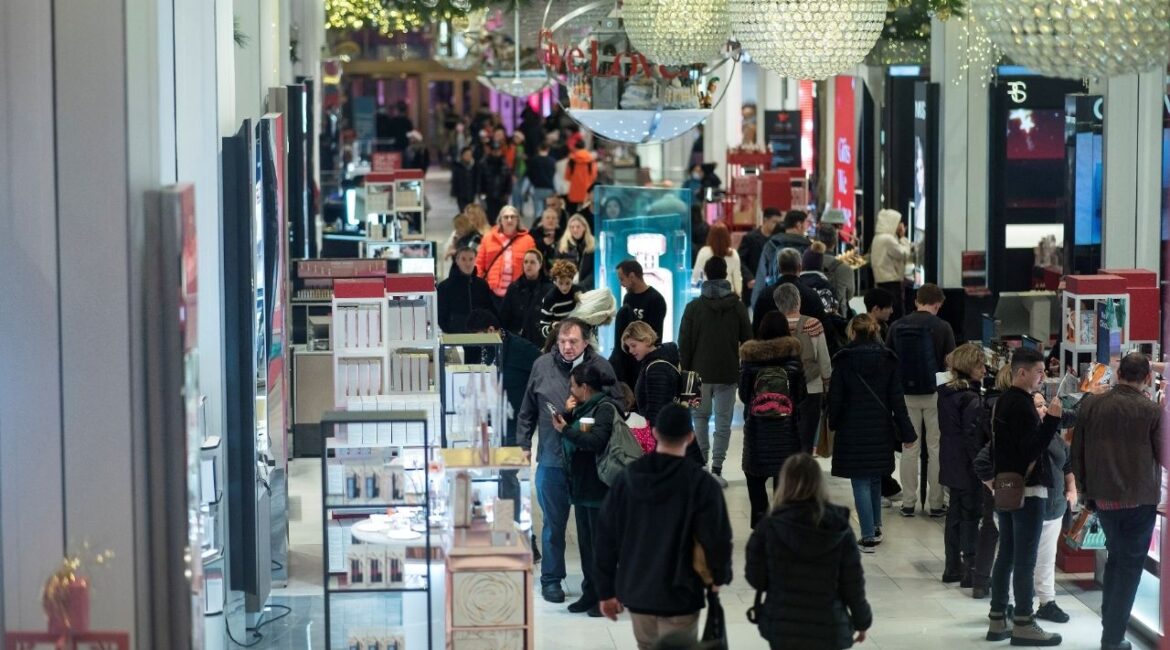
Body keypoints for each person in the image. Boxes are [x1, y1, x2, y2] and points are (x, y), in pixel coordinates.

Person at [594, 403, 733, 650]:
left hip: (638, 588)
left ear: (655, 433)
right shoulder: (701, 484)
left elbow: (606, 536)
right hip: (682, 591)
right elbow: (717, 537)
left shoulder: (629, 478)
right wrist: (719, 576)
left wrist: (605, 590)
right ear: (690, 438)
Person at [517, 318, 620, 604]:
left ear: (586, 342)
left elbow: (618, 405)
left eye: (573, 341)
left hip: (589, 462)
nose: (567, 347)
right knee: (553, 524)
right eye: (562, 341)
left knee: (592, 530)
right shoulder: (542, 366)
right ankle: (551, 579)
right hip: (551, 458)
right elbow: (526, 410)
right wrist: (524, 445)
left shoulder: (601, 366)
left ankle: (594, 585)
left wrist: (586, 410)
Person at [1071, 352, 1162, 650]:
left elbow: (1078, 450)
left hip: (1102, 497)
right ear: (1147, 378)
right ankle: (1112, 636)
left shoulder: (1093, 404)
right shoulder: (1151, 410)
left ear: (1118, 372)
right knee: (1129, 567)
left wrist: (1084, 490)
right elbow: (1164, 455)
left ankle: (1110, 623)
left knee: (1116, 559)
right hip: (1139, 499)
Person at [745, 454, 873, 650]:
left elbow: (755, 577)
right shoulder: (839, 528)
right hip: (829, 625)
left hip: (783, 625)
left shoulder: (769, 527)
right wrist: (862, 622)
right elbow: (853, 583)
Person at [985, 347, 1063, 647]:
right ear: (1022, 372)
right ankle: (1024, 622)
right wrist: (1052, 421)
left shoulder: (1002, 402)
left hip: (1007, 487)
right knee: (1025, 559)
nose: (1042, 378)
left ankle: (998, 616)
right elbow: (1031, 448)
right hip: (1029, 490)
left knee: (1006, 553)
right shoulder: (1021, 404)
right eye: (1039, 372)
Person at [827, 314, 916, 552]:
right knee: (875, 477)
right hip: (880, 427)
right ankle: (876, 527)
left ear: (853, 333)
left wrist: (832, 422)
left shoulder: (843, 361)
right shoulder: (888, 360)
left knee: (860, 481)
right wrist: (908, 433)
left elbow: (835, 398)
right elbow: (897, 400)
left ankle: (867, 535)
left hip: (851, 428)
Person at [550, 364, 624, 617]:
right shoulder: (582, 408)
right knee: (586, 546)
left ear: (585, 387)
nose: (570, 389)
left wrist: (565, 429)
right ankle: (590, 593)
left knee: (600, 548)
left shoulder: (605, 408)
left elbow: (595, 441)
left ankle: (605, 598)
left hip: (599, 489)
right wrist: (566, 417)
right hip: (582, 489)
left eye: (573, 385)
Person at [678, 256, 752, 485]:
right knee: (723, 423)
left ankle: (702, 466)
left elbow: (685, 343)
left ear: (706, 275)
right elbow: (748, 341)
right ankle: (718, 469)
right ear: (726, 274)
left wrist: (686, 373)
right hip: (728, 372)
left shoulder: (693, 307)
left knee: (699, 419)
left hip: (697, 374)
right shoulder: (737, 306)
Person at [464, 309, 541, 523]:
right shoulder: (485, 349)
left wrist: (534, 408)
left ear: (491, 330)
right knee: (494, 473)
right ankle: (500, 525)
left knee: (507, 474)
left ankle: (513, 528)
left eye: (477, 336)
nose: (475, 342)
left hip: (516, 422)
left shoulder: (522, 349)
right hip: (489, 422)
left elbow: (543, 372)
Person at [886, 283, 956, 518]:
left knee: (909, 448)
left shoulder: (896, 326)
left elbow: (889, 360)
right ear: (938, 304)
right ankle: (936, 503)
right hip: (935, 394)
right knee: (935, 448)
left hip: (905, 395)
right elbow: (950, 364)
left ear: (917, 301)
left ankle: (908, 503)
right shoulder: (943, 327)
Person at [739, 313, 806, 527]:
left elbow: (743, 394)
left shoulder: (750, 358)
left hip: (757, 431)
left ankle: (760, 525)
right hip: (786, 431)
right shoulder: (793, 358)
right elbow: (802, 394)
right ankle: (782, 523)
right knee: (784, 479)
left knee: (754, 476)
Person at [936, 343, 987, 586]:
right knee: (971, 515)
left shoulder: (946, 393)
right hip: (967, 464)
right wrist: (981, 467)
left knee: (954, 515)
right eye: (979, 365)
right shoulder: (971, 398)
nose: (984, 370)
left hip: (950, 460)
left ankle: (951, 567)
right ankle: (971, 569)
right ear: (969, 366)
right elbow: (972, 436)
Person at [1030, 391, 1074, 625]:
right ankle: (1009, 605)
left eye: (1044, 404)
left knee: (1047, 559)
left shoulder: (1054, 435)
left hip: (1053, 508)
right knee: (1020, 559)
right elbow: (983, 464)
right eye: (1038, 406)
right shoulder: (1023, 434)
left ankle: (1047, 602)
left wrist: (1072, 487)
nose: (1045, 409)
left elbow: (1066, 462)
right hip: (1027, 508)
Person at [774, 284, 832, 454]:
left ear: (778, 304)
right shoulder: (813, 324)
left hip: (782, 388)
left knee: (785, 435)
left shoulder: (775, 324)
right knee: (806, 439)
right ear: (798, 301)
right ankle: (803, 474)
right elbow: (824, 359)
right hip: (811, 386)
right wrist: (827, 384)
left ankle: (786, 473)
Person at [610, 259, 668, 391]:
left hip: (644, 361)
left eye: (622, 279)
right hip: (628, 359)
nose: (621, 283)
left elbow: (655, 336)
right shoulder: (628, 298)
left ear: (632, 276)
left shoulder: (655, 300)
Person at [752, 248, 829, 336]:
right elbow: (824, 330)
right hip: (804, 348)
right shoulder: (811, 295)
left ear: (779, 268)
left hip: (772, 348)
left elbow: (756, 330)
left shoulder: (764, 296)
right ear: (800, 267)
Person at [751, 210, 812, 308]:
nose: (807, 226)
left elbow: (761, 276)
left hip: (774, 300)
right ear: (799, 224)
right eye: (806, 223)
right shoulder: (808, 248)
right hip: (800, 303)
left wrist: (756, 304)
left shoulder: (772, 244)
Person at [475, 205, 536, 302]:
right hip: (492, 292)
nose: (509, 220)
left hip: (518, 293)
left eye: (513, 217)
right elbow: (479, 264)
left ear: (517, 220)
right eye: (506, 217)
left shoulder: (528, 240)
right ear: (500, 220)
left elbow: (534, 267)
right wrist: (479, 285)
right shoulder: (488, 238)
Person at [499, 249, 553, 348]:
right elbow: (504, 316)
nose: (528, 265)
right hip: (517, 340)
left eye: (532, 262)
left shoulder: (549, 289)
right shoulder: (514, 288)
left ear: (540, 265)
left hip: (541, 341)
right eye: (526, 262)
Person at [437, 247, 497, 335]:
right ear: (457, 261)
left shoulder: (482, 285)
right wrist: (451, 330)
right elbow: (441, 315)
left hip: (480, 337)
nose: (468, 263)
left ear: (475, 260)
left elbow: (489, 310)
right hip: (455, 338)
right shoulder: (444, 287)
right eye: (463, 259)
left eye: (471, 259)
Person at [870, 208, 914, 320]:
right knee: (895, 312)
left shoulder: (878, 237)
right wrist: (903, 237)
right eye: (898, 222)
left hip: (882, 280)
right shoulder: (887, 239)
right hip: (891, 281)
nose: (900, 225)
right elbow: (903, 254)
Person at [739, 208, 784, 306]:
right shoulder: (750, 238)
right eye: (774, 222)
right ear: (765, 220)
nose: (777, 225)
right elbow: (740, 260)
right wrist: (749, 278)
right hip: (754, 285)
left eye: (779, 223)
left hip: (773, 288)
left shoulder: (778, 240)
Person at [691, 223, 742, 297]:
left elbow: (695, 277)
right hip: (728, 297)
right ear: (727, 237)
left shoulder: (704, 252)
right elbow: (737, 280)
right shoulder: (733, 254)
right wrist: (738, 296)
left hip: (708, 297)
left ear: (710, 236)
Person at [539, 260, 582, 339]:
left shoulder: (579, 292)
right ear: (555, 281)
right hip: (558, 340)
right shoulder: (550, 299)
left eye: (568, 283)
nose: (564, 287)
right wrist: (552, 327)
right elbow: (542, 328)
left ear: (572, 280)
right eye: (560, 283)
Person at [816, 223, 854, 312]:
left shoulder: (807, 265)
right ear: (835, 241)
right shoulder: (845, 268)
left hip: (813, 315)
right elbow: (850, 295)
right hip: (837, 315)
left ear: (817, 241)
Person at [556, 214, 596, 290]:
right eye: (572, 227)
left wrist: (581, 285)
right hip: (567, 288)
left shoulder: (593, 245)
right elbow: (557, 268)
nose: (575, 230)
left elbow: (594, 271)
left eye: (578, 227)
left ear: (584, 227)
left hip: (587, 288)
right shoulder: (562, 245)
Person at [478, 141, 513, 225]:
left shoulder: (504, 164)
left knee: (501, 218)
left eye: (498, 150)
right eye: (494, 150)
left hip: (501, 196)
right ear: (491, 151)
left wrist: (507, 193)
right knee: (490, 218)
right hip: (489, 196)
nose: (496, 152)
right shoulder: (484, 163)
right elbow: (481, 180)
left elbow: (508, 180)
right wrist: (481, 194)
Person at [527, 142, 558, 220]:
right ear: (548, 149)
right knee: (548, 211)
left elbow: (529, 174)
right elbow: (555, 175)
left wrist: (533, 183)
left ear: (538, 149)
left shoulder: (533, 160)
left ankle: (537, 226)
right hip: (549, 188)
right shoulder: (552, 161)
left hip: (537, 188)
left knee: (538, 212)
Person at [565, 140, 597, 215]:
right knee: (587, 213)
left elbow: (567, 176)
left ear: (576, 148)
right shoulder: (590, 160)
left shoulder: (572, 160)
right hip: (586, 191)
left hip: (574, 191)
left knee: (572, 214)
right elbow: (593, 176)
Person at [533, 207, 564, 272]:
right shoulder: (533, 233)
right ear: (542, 221)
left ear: (557, 221)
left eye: (553, 218)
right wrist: (543, 242)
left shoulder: (563, 235)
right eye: (547, 218)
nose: (550, 220)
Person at [450, 146, 478, 211]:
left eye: (470, 155)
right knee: (463, 213)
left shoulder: (475, 166)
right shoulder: (457, 166)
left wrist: (477, 192)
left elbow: (477, 180)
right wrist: (453, 193)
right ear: (462, 155)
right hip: (461, 195)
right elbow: (455, 181)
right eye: (466, 155)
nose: (468, 157)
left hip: (472, 195)